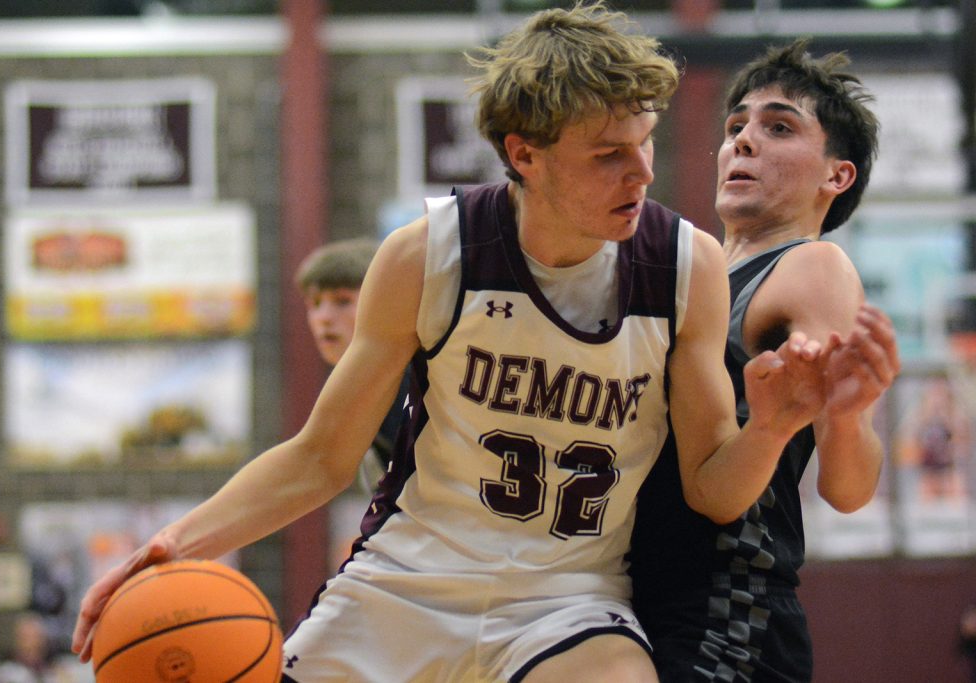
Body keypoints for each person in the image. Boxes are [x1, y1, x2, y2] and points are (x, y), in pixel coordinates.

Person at [73, 6, 856, 681]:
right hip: (405, 583)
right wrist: (174, 542)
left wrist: (771, 428)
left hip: (568, 598)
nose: (642, 173)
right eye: (608, 154)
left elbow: (714, 490)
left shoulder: (685, 266)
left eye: (644, 142)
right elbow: (319, 458)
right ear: (524, 154)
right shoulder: (430, 254)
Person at [629, 39, 901, 682]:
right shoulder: (690, 270)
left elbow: (847, 491)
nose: (744, 142)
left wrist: (848, 416)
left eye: (778, 127)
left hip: (725, 608)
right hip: (633, 592)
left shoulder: (812, 265)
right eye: (735, 127)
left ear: (836, 176)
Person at [296, 237, 409, 493]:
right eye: (315, 304)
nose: (324, 318)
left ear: (389, 303)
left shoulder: (410, 381)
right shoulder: (361, 381)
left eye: (343, 301)